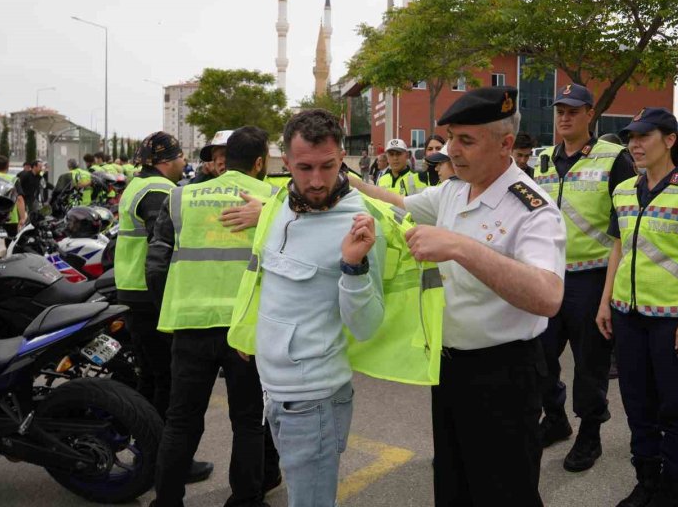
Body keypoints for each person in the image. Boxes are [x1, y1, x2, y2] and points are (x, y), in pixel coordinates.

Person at [352, 86, 566, 507]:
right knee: (454, 482)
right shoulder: (454, 189)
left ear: (506, 144)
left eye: (466, 140)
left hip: (504, 373)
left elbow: (547, 296)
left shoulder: (533, 208)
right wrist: (341, 180)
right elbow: (399, 201)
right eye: (451, 138)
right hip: (450, 368)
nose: (452, 150)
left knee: (505, 489)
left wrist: (460, 247)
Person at [226, 110, 387, 507]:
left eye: (328, 167)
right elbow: (268, 280)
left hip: (314, 399)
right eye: (304, 168)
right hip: (273, 390)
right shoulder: (279, 202)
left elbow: (367, 326)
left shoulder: (362, 222)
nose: (316, 181)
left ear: (342, 159)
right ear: (285, 161)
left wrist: (353, 268)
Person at [147, 127, 280, 507]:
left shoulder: (181, 197)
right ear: (259, 162)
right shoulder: (271, 199)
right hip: (245, 330)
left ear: (223, 158)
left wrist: (171, 311)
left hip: (189, 325)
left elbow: (155, 267)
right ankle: (246, 500)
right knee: (248, 420)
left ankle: (167, 501)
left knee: (182, 421)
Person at [596, 108, 678, 507]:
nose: (635, 144)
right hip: (628, 317)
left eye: (644, 136)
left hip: (672, 320)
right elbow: (618, 248)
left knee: (675, 409)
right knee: (637, 405)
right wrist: (605, 303)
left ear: (669, 140)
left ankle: (671, 491)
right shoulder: (623, 190)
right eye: (631, 137)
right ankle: (646, 480)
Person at [532, 83, 636, 472]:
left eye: (573, 110)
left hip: (591, 279)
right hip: (547, 276)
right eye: (560, 110)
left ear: (590, 114)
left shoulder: (614, 159)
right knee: (538, 358)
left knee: (590, 365)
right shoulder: (542, 159)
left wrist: (613, 291)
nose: (565, 117)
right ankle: (556, 420)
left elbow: (627, 224)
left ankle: (590, 434)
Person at [113, 132, 213, 483]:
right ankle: (168, 463)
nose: (185, 163)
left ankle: (150, 455)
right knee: (167, 382)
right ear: (166, 160)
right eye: (181, 157)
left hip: (134, 291)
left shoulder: (137, 185)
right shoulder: (158, 191)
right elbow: (165, 243)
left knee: (152, 377)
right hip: (150, 295)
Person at [0, 155, 26, 244]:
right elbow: (19, 199)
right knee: (11, 244)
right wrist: (22, 218)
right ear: (8, 166)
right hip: (10, 217)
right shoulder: (13, 179)